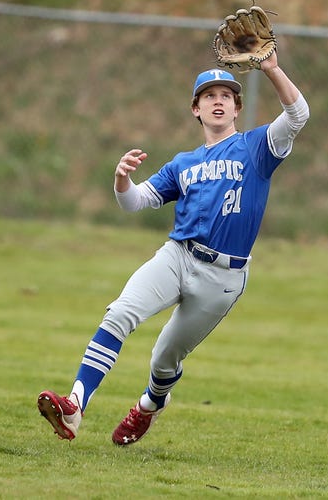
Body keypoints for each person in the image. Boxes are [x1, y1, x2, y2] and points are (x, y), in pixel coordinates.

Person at [37, 50, 309, 446]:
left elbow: (299, 114)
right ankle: (75, 405)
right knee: (120, 313)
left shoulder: (257, 148)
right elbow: (135, 202)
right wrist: (121, 181)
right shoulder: (183, 163)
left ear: (237, 107)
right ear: (195, 109)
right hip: (178, 255)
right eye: (208, 96)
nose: (218, 101)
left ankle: (149, 406)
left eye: (226, 95)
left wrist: (271, 69)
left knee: (164, 359)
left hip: (223, 277)